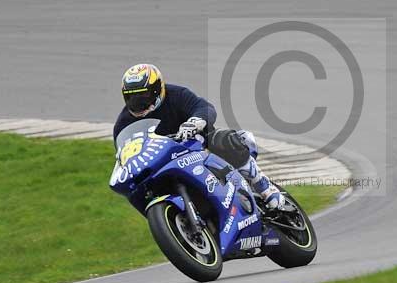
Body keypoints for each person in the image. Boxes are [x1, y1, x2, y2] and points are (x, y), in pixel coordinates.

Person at [113, 63, 285, 211]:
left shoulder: (176, 95)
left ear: (157, 89)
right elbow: (126, 156)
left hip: (199, 147)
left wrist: (195, 122)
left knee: (222, 140)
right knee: (135, 191)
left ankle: (264, 187)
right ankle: (172, 224)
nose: (137, 102)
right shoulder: (123, 125)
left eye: (143, 95)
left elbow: (204, 107)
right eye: (131, 97)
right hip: (164, 165)